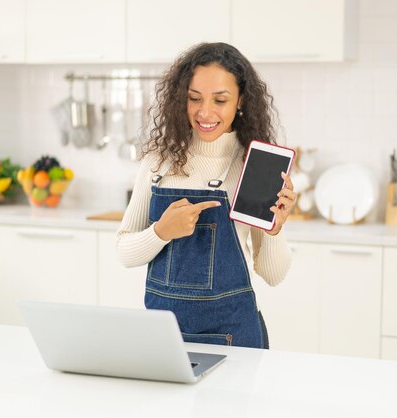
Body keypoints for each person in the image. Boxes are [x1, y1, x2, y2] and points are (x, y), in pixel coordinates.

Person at [116, 42, 296, 349]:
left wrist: (276, 228)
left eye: (220, 100)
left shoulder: (253, 166)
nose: (205, 112)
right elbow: (124, 253)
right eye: (194, 99)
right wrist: (161, 232)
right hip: (165, 339)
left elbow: (273, 274)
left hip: (235, 338)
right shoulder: (159, 162)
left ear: (240, 101)